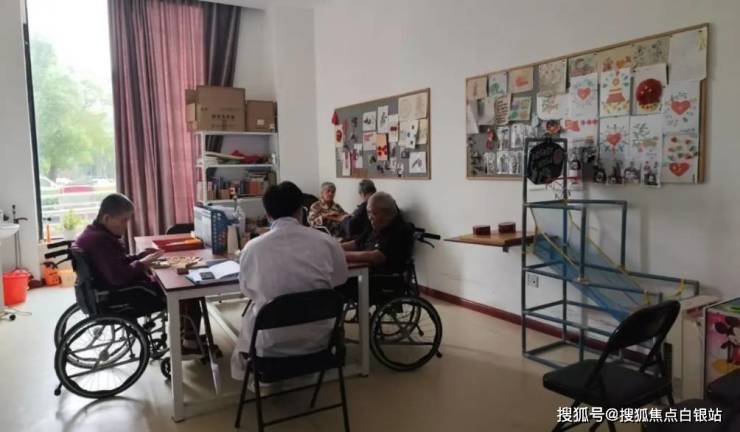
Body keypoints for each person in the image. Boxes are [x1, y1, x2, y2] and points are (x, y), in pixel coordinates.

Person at [232, 181, 348, 381]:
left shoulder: (253, 248)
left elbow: (247, 290)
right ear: (301, 210)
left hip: (269, 347)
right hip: (320, 341)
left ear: (268, 215)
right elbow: (340, 279)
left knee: (253, 316)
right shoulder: (327, 242)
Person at [75, 193, 203, 354]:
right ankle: (189, 343)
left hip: (109, 291)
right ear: (107, 218)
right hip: (125, 294)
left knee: (173, 276)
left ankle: (186, 335)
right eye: (123, 220)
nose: (126, 226)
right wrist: (143, 263)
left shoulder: (91, 234)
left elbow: (117, 263)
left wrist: (140, 256)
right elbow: (118, 276)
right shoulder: (100, 241)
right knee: (187, 287)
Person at [340, 192, 414, 302]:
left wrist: (342, 255)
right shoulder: (375, 226)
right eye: (368, 212)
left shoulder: (399, 230)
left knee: (339, 283)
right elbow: (356, 244)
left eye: (373, 213)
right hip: (367, 273)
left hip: (384, 279)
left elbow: (377, 256)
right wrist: (332, 247)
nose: (370, 217)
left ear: (387, 213)